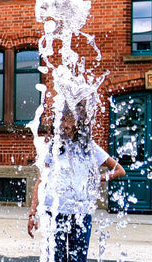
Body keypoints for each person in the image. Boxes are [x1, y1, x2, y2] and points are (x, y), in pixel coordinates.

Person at [27, 102, 126, 262]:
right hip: (55, 213)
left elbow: (119, 170)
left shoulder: (89, 148)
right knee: (55, 259)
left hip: (80, 213)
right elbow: (41, 181)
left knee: (78, 259)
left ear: (79, 124)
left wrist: (97, 178)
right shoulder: (52, 147)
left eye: (70, 119)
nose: (65, 124)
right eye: (62, 119)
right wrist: (33, 213)